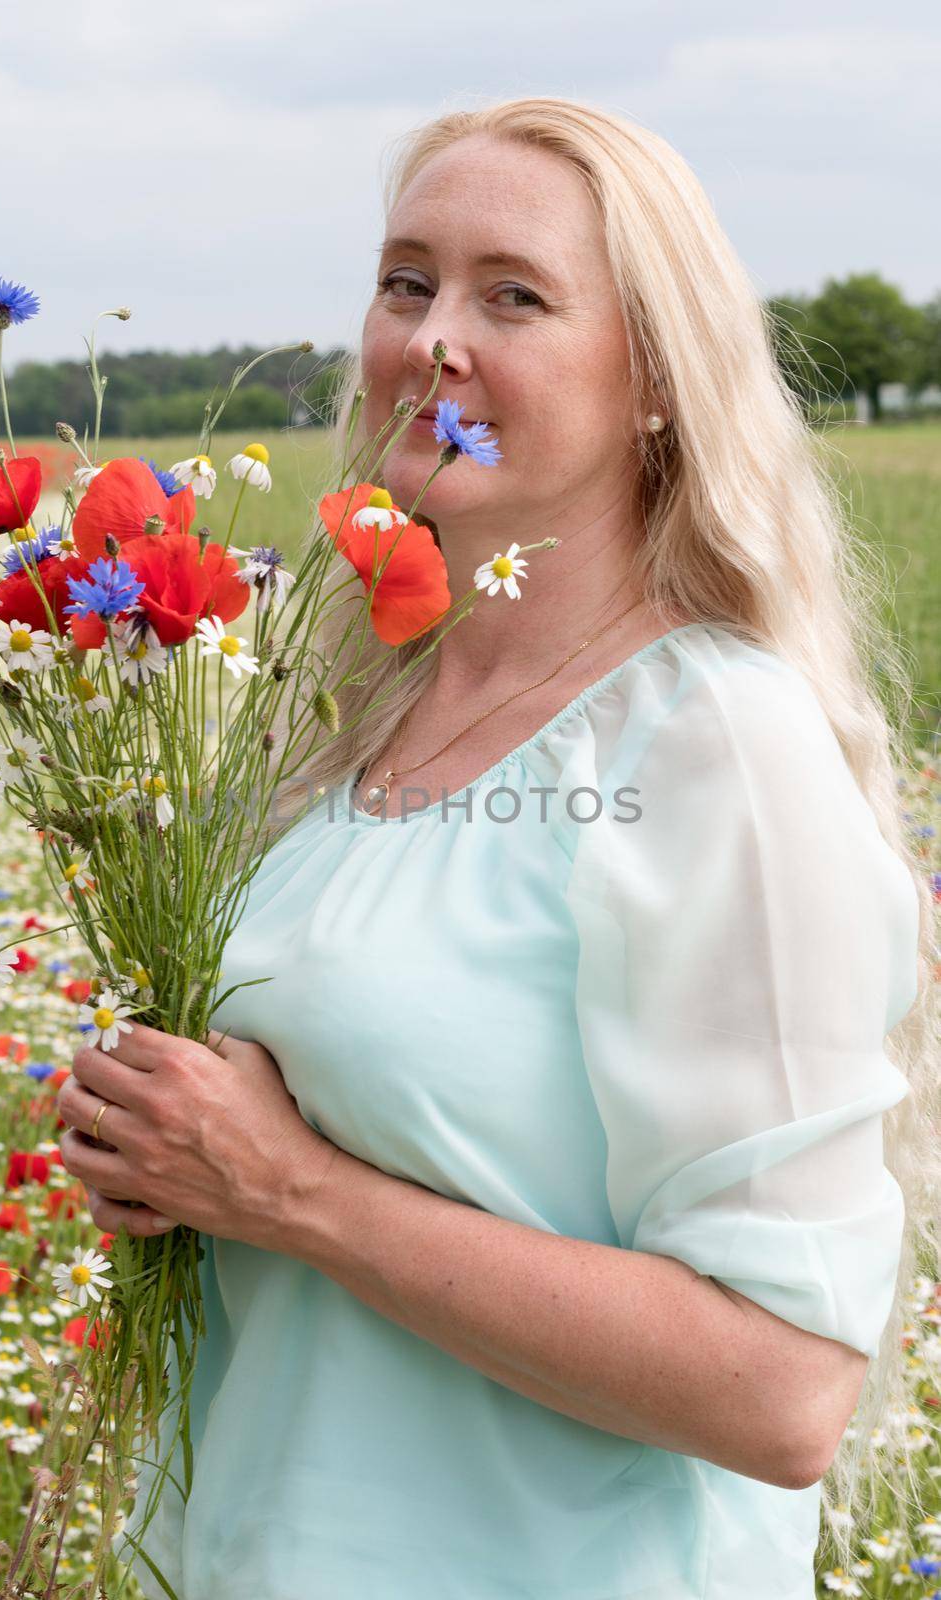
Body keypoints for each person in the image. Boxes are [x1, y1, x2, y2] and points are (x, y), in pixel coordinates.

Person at [57, 97, 936, 1598]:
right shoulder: (341, 712)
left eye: (512, 296)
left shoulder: (709, 745)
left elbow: (784, 1389)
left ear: (657, 380)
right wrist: (161, 1147)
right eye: (407, 283)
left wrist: (290, 1194)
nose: (435, 339)